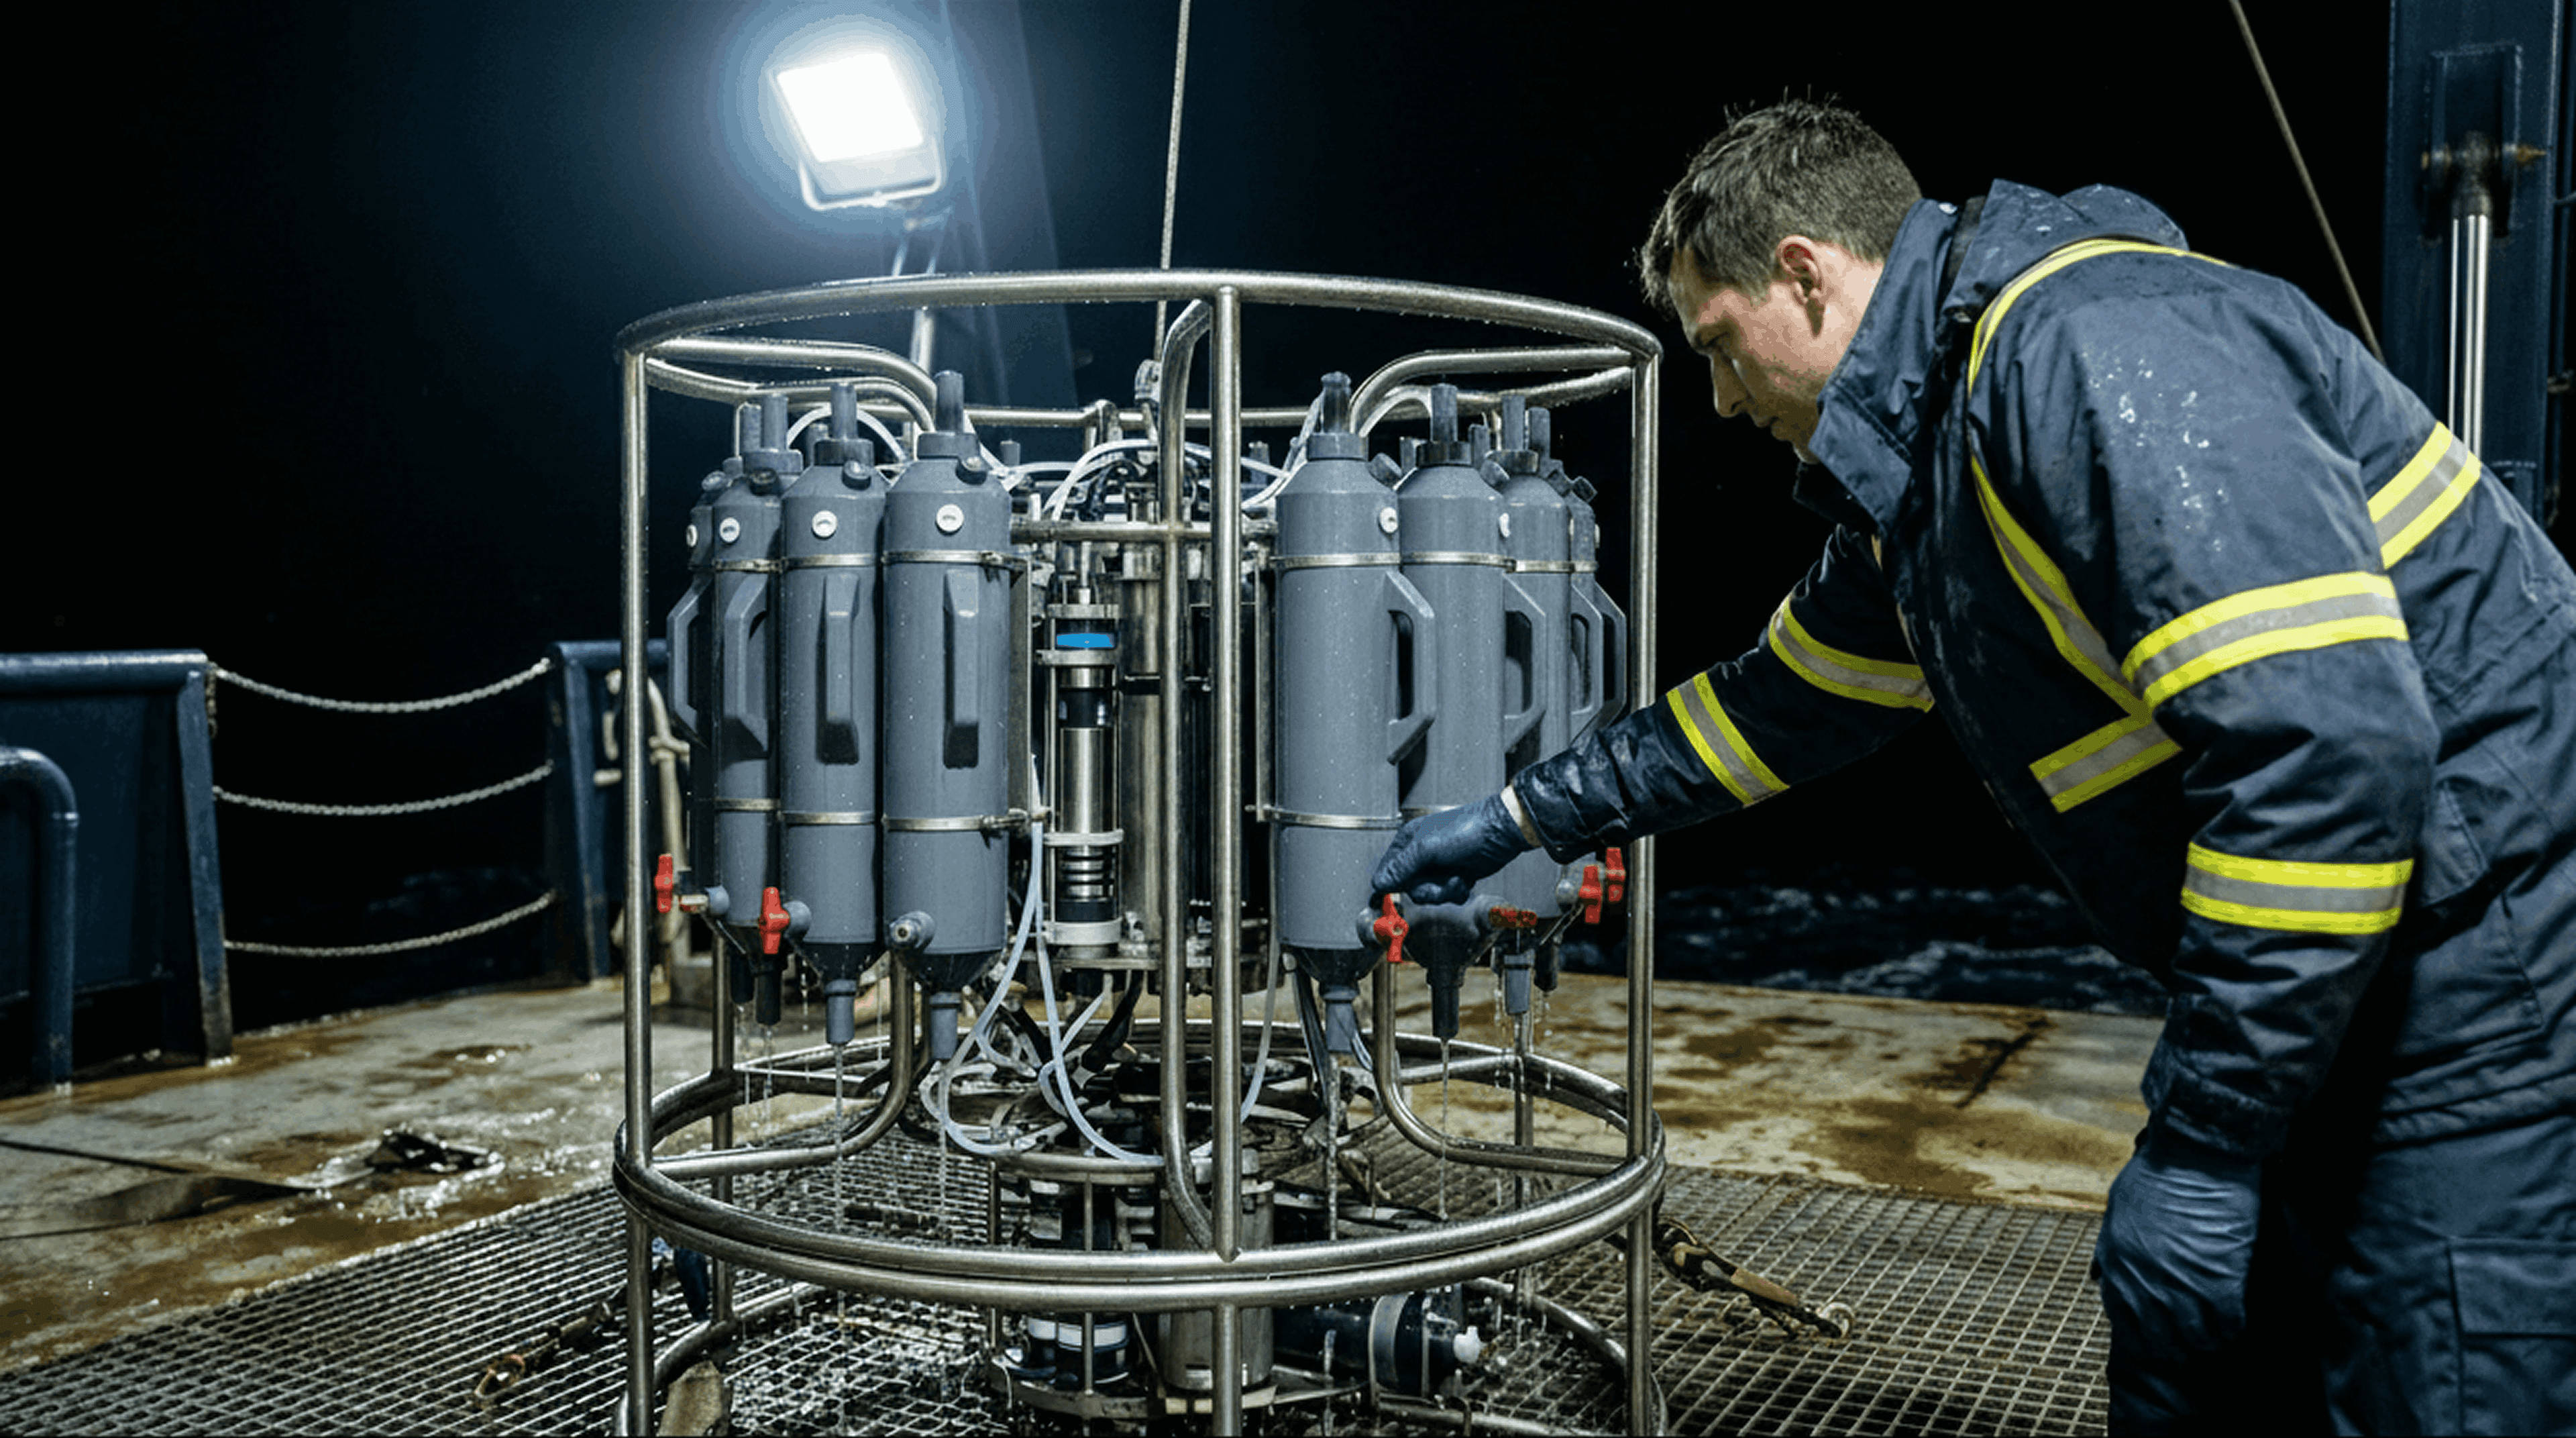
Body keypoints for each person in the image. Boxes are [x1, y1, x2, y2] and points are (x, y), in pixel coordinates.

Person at [1371, 99, 2574, 1434]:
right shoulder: (1939, 472)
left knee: (2436, 1374)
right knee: (2219, 1357)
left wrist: (2210, 1137)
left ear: (1805, 276)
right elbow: (1771, 713)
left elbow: (2327, 751)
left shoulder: (2086, 354)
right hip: (2349, 986)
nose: (1717, 401)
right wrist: (1517, 813)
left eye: (1719, 349)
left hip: (2485, 990)